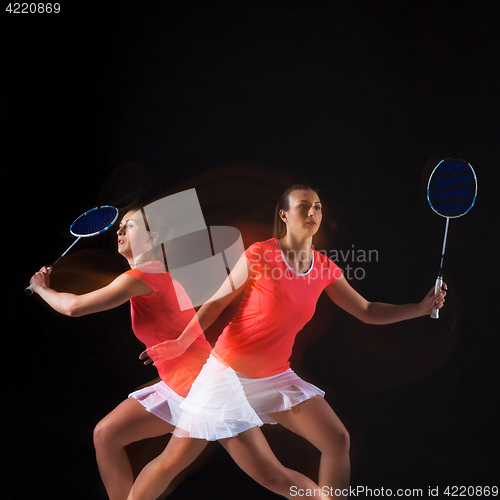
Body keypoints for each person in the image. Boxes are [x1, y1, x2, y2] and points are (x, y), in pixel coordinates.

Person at [127, 183, 447, 499]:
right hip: (225, 376)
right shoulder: (261, 253)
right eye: (303, 206)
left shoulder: (324, 269)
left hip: (275, 375)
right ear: (284, 215)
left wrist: (420, 309)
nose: (312, 212)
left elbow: (367, 310)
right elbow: (216, 301)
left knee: (337, 441)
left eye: (317, 207)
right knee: (179, 461)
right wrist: (183, 342)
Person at [29, 206, 213, 500]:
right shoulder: (155, 275)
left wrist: (41, 288)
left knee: (267, 472)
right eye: (121, 226)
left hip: (201, 386)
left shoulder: (144, 276)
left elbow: (73, 307)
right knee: (107, 434)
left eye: (129, 226)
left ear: (151, 238)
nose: (119, 230)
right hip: (182, 383)